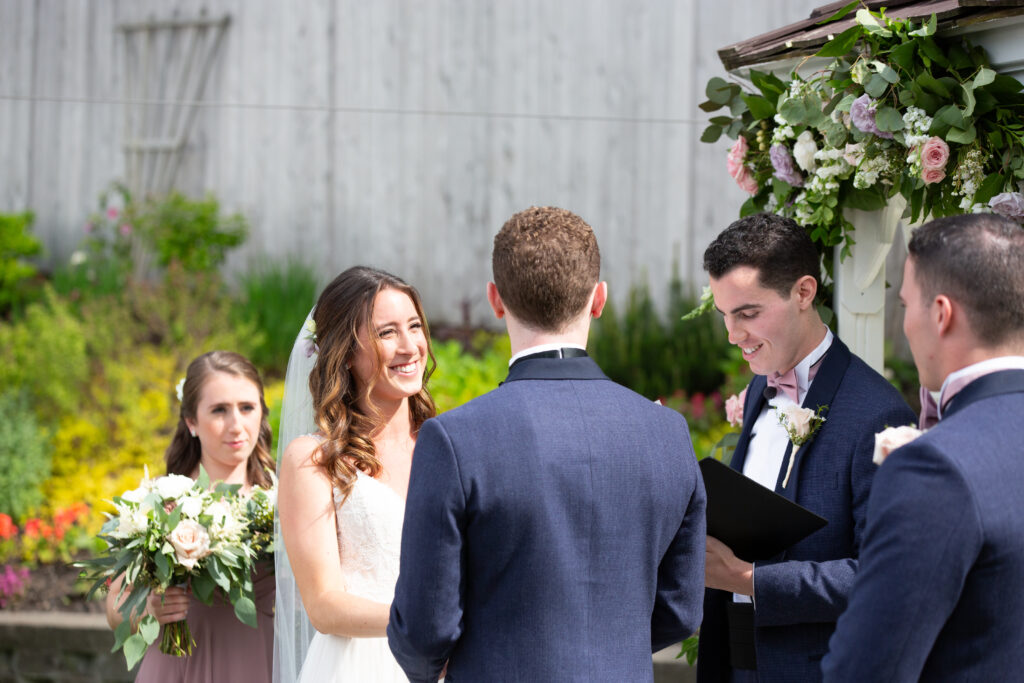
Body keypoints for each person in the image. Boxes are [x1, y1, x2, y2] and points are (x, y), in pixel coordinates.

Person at [387, 206, 706, 682]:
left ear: (496, 300)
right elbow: (681, 609)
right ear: (599, 300)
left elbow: (425, 626)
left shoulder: (455, 439)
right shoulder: (667, 432)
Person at [697, 213, 914, 683]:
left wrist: (747, 580)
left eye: (748, 313)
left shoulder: (878, 415)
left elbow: (885, 574)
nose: (734, 336)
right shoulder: (758, 389)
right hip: (734, 659)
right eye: (725, 316)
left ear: (803, 292)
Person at [822, 214, 1024, 681]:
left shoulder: (936, 467)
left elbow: (866, 670)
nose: (905, 321)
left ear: (940, 313)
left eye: (906, 304)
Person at [275, 266, 437, 683]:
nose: (410, 346)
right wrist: (420, 625)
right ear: (346, 352)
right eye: (387, 333)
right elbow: (324, 605)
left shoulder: (447, 445)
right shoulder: (313, 460)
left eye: (414, 326)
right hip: (359, 666)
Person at [105, 350, 277, 683]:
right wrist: (150, 609)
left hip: (262, 662)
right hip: (181, 669)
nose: (236, 425)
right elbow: (116, 609)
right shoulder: (157, 502)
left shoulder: (285, 497)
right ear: (191, 422)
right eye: (219, 410)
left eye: (246, 407)